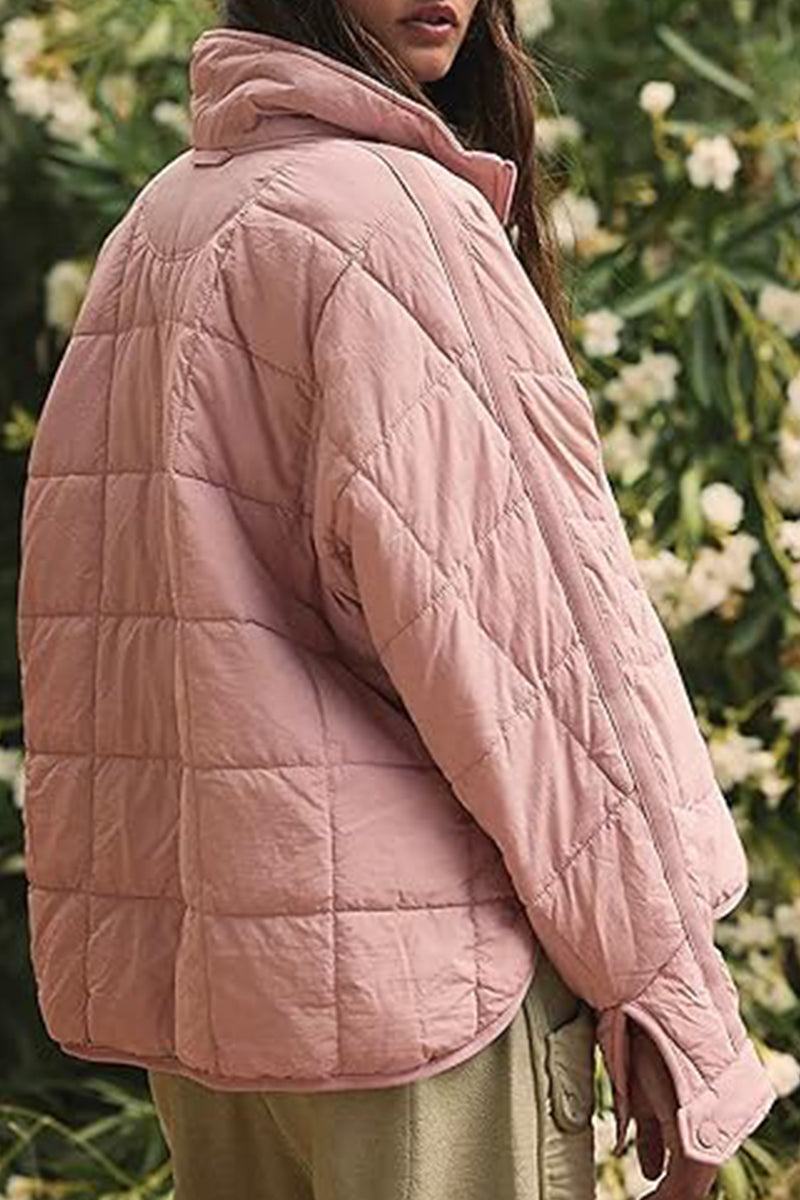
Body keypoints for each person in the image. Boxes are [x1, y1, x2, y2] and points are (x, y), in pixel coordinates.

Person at [15, 2, 777, 1199]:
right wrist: (670, 993)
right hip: (425, 1008)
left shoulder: (161, 224)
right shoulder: (387, 219)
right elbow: (535, 652)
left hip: (227, 1017)